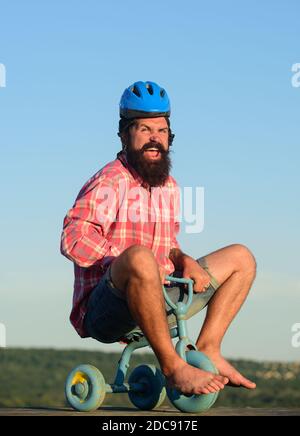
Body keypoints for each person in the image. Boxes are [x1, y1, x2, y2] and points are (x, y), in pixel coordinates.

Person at [60, 80, 257, 395]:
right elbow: (73, 235)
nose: (155, 139)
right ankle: (173, 368)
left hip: (160, 299)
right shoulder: (111, 180)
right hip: (107, 309)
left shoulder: (170, 186)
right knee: (138, 256)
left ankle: (208, 348)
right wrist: (125, 264)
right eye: (144, 130)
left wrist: (182, 259)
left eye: (162, 131)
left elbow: (168, 247)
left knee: (241, 258)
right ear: (125, 135)